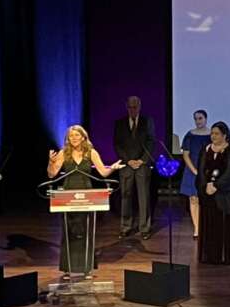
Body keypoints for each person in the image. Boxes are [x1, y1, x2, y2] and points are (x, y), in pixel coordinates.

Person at [48, 125, 123, 279]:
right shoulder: (64, 153)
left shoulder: (91, 152)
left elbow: (103, 172)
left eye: (77, 135)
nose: (74, 138)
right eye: (71, 136)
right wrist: (51, 162)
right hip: (68, 195)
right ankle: (68, 268)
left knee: (85, 230)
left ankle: (87, 268)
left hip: (87, 195)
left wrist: (113, 168)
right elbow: (52, 174)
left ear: (83, 137)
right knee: (69, 231)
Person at [196, 121, 230, 264]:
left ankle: (227, 257)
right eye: (212, 133)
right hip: (208, 195)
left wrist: (216, 185)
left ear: (225, 135)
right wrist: (205, 185)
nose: (213, 136)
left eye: (216, 134)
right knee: (210, 224)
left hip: (226, 195)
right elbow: (201, 170)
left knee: (226, 226)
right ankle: (210, 256)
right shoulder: (206, 150)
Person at [113, 96, 156, 239]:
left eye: (135, 107)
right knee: (126, 196)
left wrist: (142, 160)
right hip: (126, 165)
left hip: (142, 165)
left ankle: (145, 228)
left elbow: (151, 142)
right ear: (126, 107)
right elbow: (117, 144)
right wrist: (128, 160)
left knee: (144, 197)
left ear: (140, 106)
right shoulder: (119, 123)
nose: (133, 110)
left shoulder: (147, 121)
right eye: (130, 107)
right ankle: (126, 227)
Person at [180, 109, 211, 239]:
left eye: (200, 118)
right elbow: (186, 155)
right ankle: (197, 229)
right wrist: (194, 170)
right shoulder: (190, 135)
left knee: (207, 199)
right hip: (192, 170)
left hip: (208, 171)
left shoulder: (212, 134)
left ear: (205, 119)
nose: (198, 121)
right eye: (196, 119)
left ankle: (208, 227)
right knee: (193, 199)